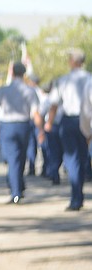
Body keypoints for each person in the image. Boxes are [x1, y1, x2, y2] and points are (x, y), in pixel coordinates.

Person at [45, 49, 90, 211]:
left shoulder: (63, 80)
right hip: (85, 120)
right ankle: (78, 194)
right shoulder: (89, 79)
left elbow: (54, 104)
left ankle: (76, 196)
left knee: (72, 159)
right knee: (82, 157)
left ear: (72, 61)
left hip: (69, 121)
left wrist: (49, 123)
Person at [0, 62, 41, 204]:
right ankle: (18, 185)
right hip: (22, 125)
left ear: (12, 73)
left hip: (7, 126)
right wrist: (41, 130)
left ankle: (15, 191)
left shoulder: (3, 90)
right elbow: (35, 113)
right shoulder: (29, 90)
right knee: (19, 158)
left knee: (12, 159)